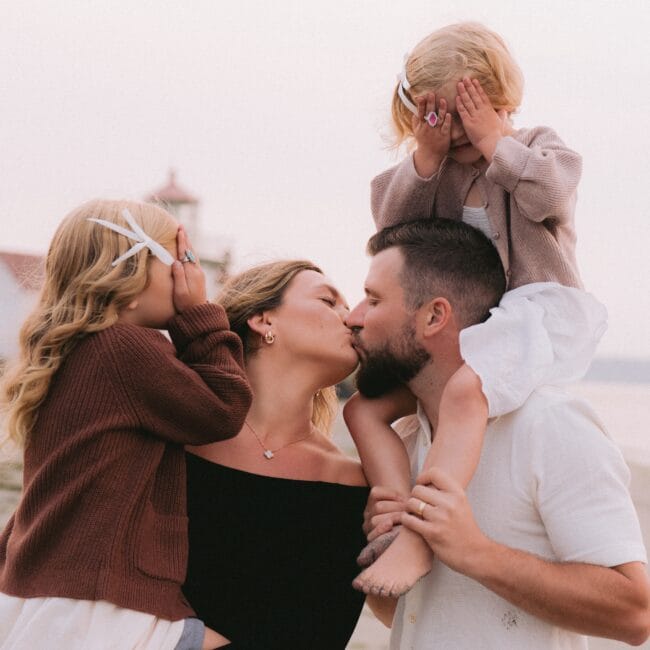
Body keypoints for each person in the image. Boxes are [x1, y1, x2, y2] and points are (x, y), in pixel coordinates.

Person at [345, 20, 608, 596]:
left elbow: (551, 196)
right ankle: (393, 513)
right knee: (364, 409)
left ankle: (420, 537)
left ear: (502, 99)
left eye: (471, 111)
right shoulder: (432, 169)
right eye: (442, 116)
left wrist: (498, 145)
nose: (458, 130)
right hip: (472, 326)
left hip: (539, 311)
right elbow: (393, 238)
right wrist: (425, 159)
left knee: (465, 392)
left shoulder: (538, 146)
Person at [346, 217, 649, 649]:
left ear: (434, 315)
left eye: (373, 301)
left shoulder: (550, 425)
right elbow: (406, 616)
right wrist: (384, 554)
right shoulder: (406, 439)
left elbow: (635, 614)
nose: (353, 318)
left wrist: (475, 552)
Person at [0, 199, 252, 650]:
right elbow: (224, 407)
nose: (187, 274)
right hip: (98, 609)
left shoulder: (71, 350)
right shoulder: (124, 349)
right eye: (178, 260)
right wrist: (199, 313)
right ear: (130, 273)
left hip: (52, 596)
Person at [182, 260, 370, 650]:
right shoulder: (175, 439)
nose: (351, 318)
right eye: (328, 301)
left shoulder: (350, 482)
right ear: (263, 320)